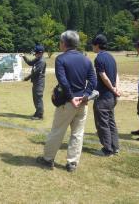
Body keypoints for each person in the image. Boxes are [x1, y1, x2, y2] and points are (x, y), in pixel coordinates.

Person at [36, 31, 96, 172]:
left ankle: (48, 159)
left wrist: (70, 98)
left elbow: (63, 81)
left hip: (68, 102)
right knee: (78, 133)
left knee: (57, 131)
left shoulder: (61, 59)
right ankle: (72, 163)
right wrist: (86, 95)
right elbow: (93, 80)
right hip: (83, 102)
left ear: (63, 43)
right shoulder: (86, 60)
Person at [92, 34, 121, 156]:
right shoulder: (111, 57)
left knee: (102, 123)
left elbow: (103, 76)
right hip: (112, 97)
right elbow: (116, 75)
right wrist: (116, 89)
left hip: (104, 96)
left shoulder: (99, 58)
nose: (92, 47)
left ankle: (107, 149)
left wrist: (113, 89)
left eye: (93, 44)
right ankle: (115, 147)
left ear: (97, 45)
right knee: (110, 121)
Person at [22, 45, 46, 120]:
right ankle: (37, 112)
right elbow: (30, 63)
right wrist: (24, 56)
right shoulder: (37, 59)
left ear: (40, 53)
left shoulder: (41, 61)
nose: (34, 54)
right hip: (36, 82)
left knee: (38, 97)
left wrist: (27, 78)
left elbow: (35, 72)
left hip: (39, 82)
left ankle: (40, 115)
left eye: (35, 53)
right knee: (35, 97)